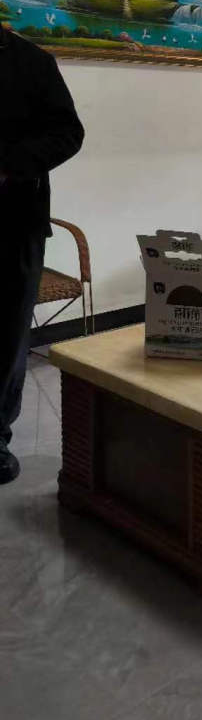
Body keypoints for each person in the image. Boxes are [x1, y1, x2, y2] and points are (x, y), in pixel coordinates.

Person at [0, 26, 84, 484]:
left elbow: (68, 133)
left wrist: (7, 164)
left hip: (13, 225)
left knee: (7, 337)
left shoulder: (31, 62)